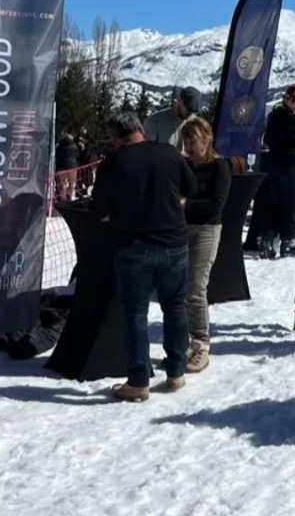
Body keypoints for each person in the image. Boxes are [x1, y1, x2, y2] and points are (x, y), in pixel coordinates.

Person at [91, 113, 198, 402]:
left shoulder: (113, 163)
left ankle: (139, 380)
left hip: (134, 246)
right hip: (174, 241)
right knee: (176, 306)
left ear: (116, 138)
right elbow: (191, 188)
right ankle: (176, 371)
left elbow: (97, 207)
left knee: (135, 313)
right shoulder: (169, 153)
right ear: (140, 128)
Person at [179, 117, 231, 374]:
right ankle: (185, 340)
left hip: (206, 230)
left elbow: (216, 205)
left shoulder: (220, 167)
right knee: (180, 288)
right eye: (186, 142)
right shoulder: (186, 165)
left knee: (196, 288)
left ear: (206, 139)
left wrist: (185, 204)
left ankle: (201, 343)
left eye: (193, 142)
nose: (189, 147)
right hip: (183, 229)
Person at [261, 84, 295, 258]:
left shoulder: (275, 115)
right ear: (287, 99)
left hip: (275, 164)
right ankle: (289, 240)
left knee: (274, 203)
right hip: (289, 165)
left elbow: (268, 138)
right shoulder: (290, 119)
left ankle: (267, 239)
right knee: (289, 203)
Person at [54, 133, 80, 200]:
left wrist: (57, 167)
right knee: (72, 182)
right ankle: (72, 196)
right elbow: (77, 155)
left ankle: (63, 197)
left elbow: (58, 156)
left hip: (63, 166)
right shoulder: (75, 146)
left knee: (63, 184)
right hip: (73, 166)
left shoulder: (60, 146)